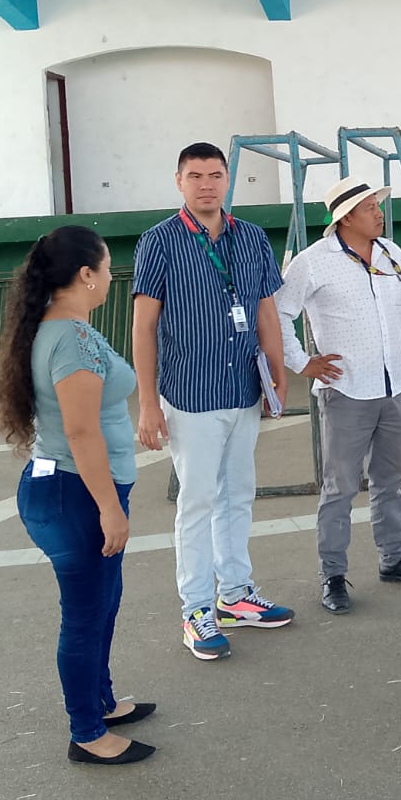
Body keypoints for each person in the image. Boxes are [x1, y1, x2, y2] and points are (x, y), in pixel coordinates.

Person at [0, 226, 157, 765]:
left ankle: (101, 702)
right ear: (86, 274)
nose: (111, 277)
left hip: (64, 487)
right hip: (76, 494)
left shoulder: (58, 328)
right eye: (106, 268)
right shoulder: (71, 338)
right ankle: (87, 732)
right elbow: (81, 431)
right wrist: (109, 507)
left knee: (102, 603)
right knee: (86, 614)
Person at [133, 142, 295, 662]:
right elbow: (144, 326)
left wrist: (276, 373)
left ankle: (236, 594)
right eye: (195, 176)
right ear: (179, 181)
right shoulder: (159, 241)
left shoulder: (251, 238)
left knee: (238, 495)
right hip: (191, 394)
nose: (206, 184)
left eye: (215, 175)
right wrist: (148, 403)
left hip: (243, 388)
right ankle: (197, 609)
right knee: (198, 501)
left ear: (228, 180)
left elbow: (265, 309)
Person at [277, 174, 401, 614]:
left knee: (390, 479)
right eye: (370, 207)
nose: (379, 213)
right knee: (340, 487)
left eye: (377, 205)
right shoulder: (313, 262)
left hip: (393, 386)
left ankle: (394, 558)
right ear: (346, 218)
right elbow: (278, 312)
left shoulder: (391, 253)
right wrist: (302, 362)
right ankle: (332, 575)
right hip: (346, 390)